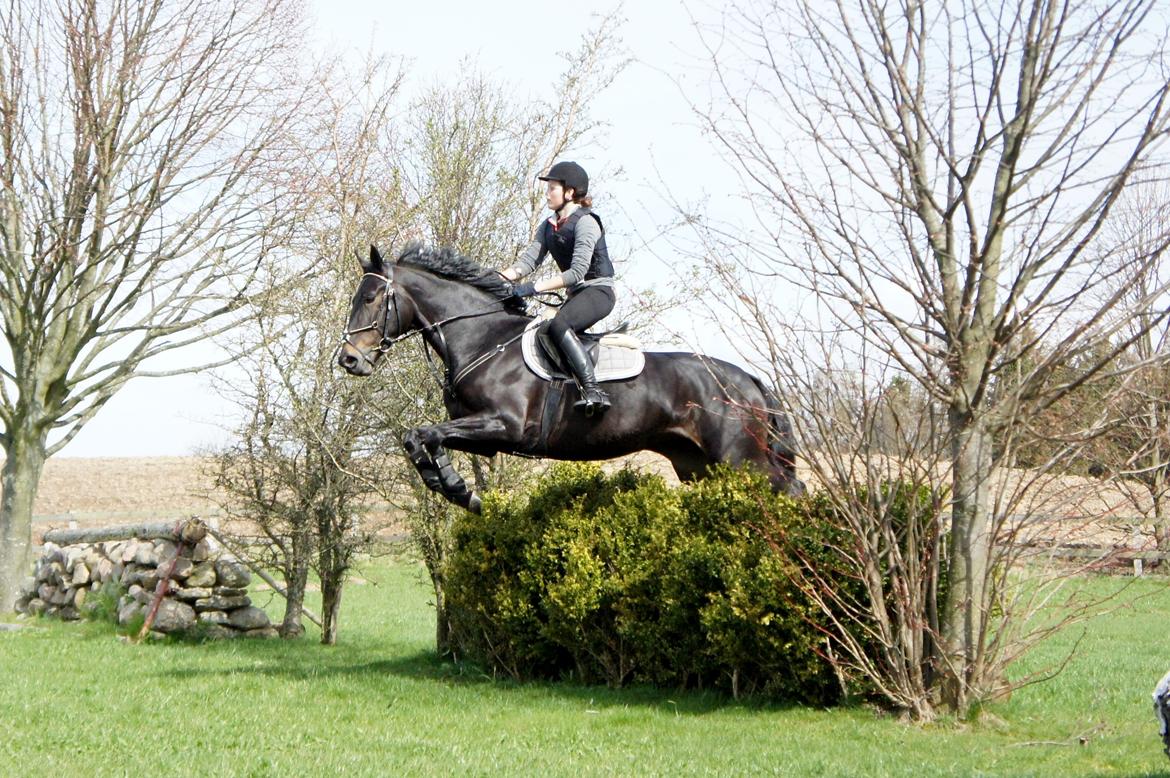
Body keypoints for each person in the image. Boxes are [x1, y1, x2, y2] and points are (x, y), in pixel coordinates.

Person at [502, 160, 615, 414]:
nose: (547, 195)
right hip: (576, 296)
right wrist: (498, 277)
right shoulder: (549, 225)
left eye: (551, 188)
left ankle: (593, 390)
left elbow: (576, 273)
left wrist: (533, 288)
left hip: (599, 292)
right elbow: (527, 262)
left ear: (570, 192)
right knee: (539, 330)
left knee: (559, 325)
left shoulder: (587, 222)